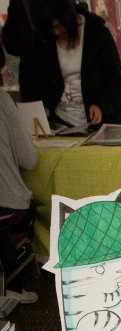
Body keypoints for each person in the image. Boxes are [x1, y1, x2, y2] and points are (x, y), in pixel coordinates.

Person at [3, 0, 121, 128]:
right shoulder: (44, 39)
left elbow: (116, 81)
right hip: (59, 122)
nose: (56, 32)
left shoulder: (97, 33)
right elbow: (36, 80)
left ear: (68, 18)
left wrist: (101, 105)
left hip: (100, 123)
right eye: (52, 29)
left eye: (59, 27)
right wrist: (44, 106)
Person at [0, 81, 39, 305]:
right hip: (8, 210)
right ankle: (14, 286)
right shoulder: (3, 100)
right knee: (29, 208)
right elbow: (29, 160)